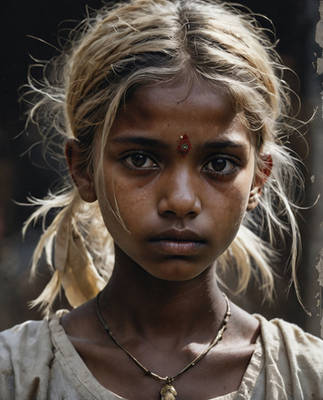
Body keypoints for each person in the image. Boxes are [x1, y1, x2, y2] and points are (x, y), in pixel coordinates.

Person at [1, 0, 322, 399]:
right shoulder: (17, 374)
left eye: (219, 163)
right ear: (83, 168)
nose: (181, 201)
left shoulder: (305, 376)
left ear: (258, 178)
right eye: (141, 159)